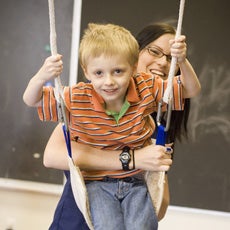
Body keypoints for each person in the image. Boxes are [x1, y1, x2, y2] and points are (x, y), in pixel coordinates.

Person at [23, 23, 200, 230]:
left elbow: (190, 89)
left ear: (131, 67)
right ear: (87, 72)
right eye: (155, 51)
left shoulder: (152, 108)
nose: (109, 81)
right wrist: (42, 76)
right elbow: (50, 154)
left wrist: (183, 61)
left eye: (171, 58)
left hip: (133, 187)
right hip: (78, 217)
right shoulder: (81, 104)